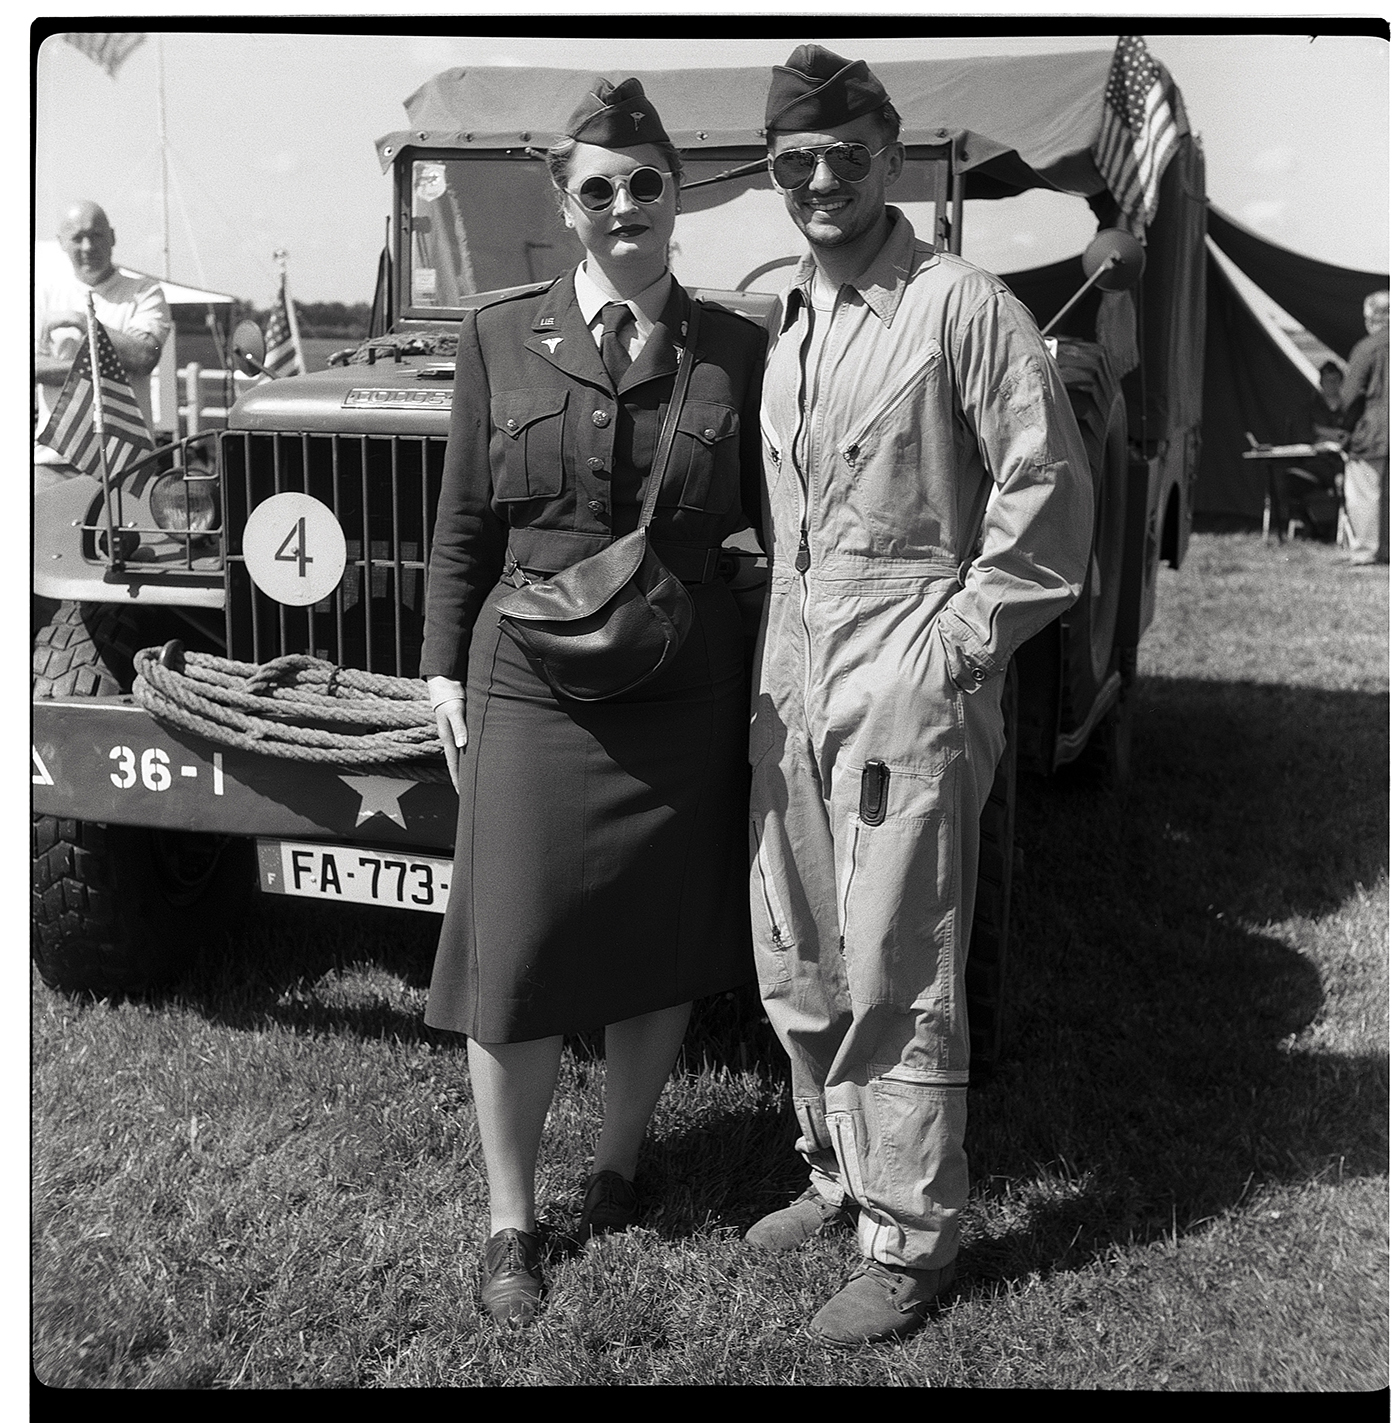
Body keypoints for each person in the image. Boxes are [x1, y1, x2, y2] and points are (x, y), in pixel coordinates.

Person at [743, 45, 1094, 1347]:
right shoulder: (795, 312)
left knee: (897, 952)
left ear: (889, 157)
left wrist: (954, 646)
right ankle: (837, 1166)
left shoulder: (962, 304)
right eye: (795, 163)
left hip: (907, 675)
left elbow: (1047, 494)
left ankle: (909, 1237)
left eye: (844, 157)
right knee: (801, 943)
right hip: (797, 674)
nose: (821, 181)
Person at [419, 77, 765, 1327]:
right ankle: (511, 1220)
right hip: (532, 680)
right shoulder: (498, 334)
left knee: (657, 932)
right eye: (599, 190)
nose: (626, 207)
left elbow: (768, 522)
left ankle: (621, 1162)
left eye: (647, 185)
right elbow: (462, 523)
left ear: (678, 199)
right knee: (509, 944)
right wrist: (441, 667)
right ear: (567, 208)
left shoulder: (737, 347)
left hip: (681, 676)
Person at [34, 201, 171, 493]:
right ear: (61, 243)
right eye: (77, 237)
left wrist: (83, 321)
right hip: (53, 462)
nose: (87, 246)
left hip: (127, 464)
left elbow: (145, 357)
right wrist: (112, 362)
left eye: (96, 235)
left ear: (112, 236)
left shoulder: (144, 293)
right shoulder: (42, 295)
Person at [1339, 290, 1389, 564]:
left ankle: (1365, 552)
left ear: (1373, 318)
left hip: (1373, 432)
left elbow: (1350, 396)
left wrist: (1344, 430)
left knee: (1364, 494)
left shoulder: (1368, 348)